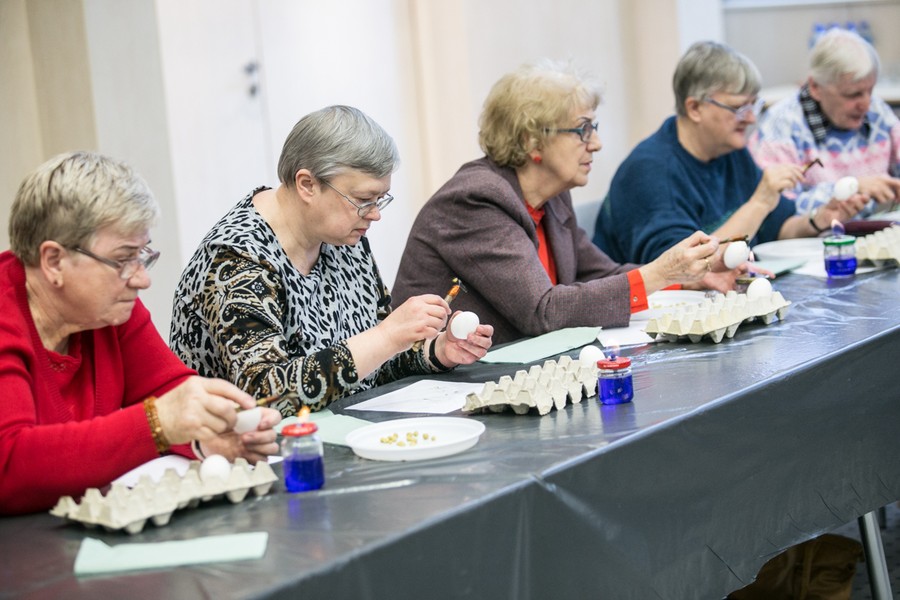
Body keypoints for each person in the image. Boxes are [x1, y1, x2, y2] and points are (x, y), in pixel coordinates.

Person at [0, 151, 281, 515]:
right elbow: (10, 464)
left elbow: (170, 392)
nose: (142, 279)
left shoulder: (109, 310)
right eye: (122, 259)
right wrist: (158, 423)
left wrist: (210, 436)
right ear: (54, 261)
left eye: (143, 256)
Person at [169, 106, 494, 417]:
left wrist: (437, 351)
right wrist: (386, 336)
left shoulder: (342, 236)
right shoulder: (237, 258)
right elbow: (266, 398)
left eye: (380, 199)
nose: (376, 214)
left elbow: (371, 366)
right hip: (248, 461)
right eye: (364, 200)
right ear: (307, 184)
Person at [391, 60, 737, 346]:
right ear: (531, 141)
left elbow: (601, 275)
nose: (597, 143)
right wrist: (659, 273)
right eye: (583, 129)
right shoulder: (475, 201)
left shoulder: (553, 195)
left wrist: (689, 275)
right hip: (442, 389)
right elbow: (542, 310)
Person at [593, 41, 868, 265]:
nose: (750, 119)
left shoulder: (730, 151)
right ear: (695, 108)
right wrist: (759, 202)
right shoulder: (649, 172)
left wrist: (816, 220)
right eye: (738, 108)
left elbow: (778, 227)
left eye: (754, 106)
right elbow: (680, 268)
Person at [749, 28, 900, 218]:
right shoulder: (780, 127)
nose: (866, 104)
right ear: (815, 87)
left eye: (870, 91)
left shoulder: (878, 112)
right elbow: (776, 212)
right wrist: (852, 187)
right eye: (852, 94)